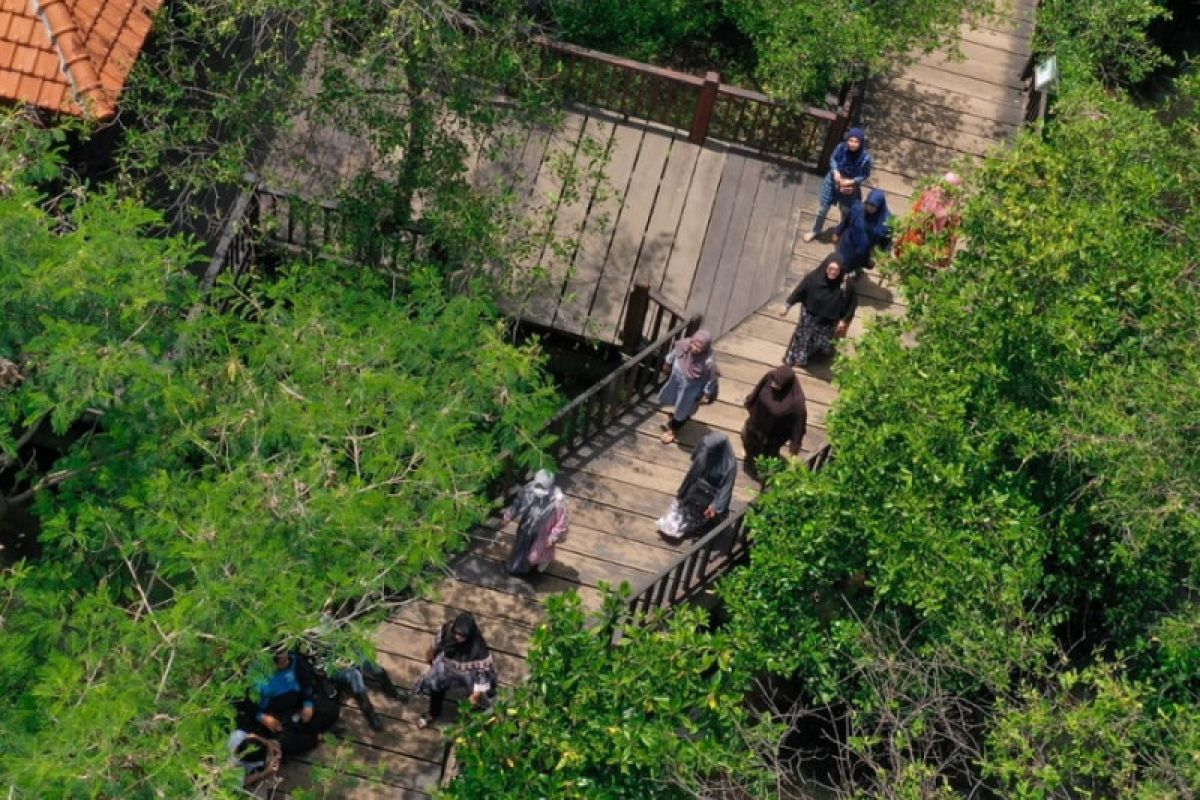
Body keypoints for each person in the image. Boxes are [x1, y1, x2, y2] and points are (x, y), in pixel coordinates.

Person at [234, 648, 341, 758]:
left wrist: (308, 704)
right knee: (281, 743)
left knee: (331, 710)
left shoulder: (296, 661)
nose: (286, 664)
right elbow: (243, 700)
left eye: (286, 660)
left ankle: (301, 733)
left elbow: (307, 683)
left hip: (299, 707)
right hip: (275, 717)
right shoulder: (254, 673)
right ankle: (313, 738)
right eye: (281, 663)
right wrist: (262, 717)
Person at [412, 612, 497, 729]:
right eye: (456, 633)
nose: (457, 637)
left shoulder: (479, 652)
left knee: (481, 693)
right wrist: (430, 660)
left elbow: (481, 680)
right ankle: (433, 713)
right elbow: (433, 647)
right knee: (435, 683)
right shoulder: (446, 631)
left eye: (462, 635)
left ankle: (467, 721)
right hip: (448, 666)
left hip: (471, 672)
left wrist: (472, 699)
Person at [656, 432, 737, 541]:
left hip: (708, 497)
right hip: (694, 487)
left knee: (695, 517)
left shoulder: (729, 466)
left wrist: (714, 507)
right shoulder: (706, 445)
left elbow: (725, 491)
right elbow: (696, 462)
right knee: (678, 510)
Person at [781, 255, 858, 368]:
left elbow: (853, 304)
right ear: (825, 267)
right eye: (830, 269)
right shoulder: (813, 278)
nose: (833, 272)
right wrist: (787, 306)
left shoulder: (846, 284)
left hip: (829, 322)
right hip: (809, 317)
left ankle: (816, 352)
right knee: (802, 339)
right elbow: (799, 292)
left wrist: (844, 320)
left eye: (836, 270)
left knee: (820, 342)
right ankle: (796, 359)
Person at [804, 127, 873, 243]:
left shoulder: (865, 158)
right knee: (822, 209)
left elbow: (865, 174)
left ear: (861, 143)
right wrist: (835, 171)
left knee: (845, 211)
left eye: (856, 142)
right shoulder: (841, 147)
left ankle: (840, 232)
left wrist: (852, 181)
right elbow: (833, 159)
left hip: (849, 187)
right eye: (850, 140)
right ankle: (816, 230)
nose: (852, 144)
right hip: (832, 181)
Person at [741, 365, 807, 479]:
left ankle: (761, 472)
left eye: (778, 384)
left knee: (766, 455)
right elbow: (758, 390)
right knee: (748, 442)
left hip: (773, 435)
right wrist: (750, 402)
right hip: (755, 423)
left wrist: (794, 449)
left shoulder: (796, 402)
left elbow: (798, 426)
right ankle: (749, 460)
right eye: (773, 381)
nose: (773, 384)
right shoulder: (771, 376)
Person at [501, 469, 569, 577]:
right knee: (520, 547)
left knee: (534, 556)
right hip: (527, 525)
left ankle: (545, 559)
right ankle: (516, 567)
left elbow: (562, 522)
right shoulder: (528, 490)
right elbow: (518, 503)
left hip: (544, 531)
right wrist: (509, 514)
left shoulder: (558, 501)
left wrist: (552, 537)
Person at [657, 329, 719, 445]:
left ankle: (674, 429)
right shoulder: (685, 345)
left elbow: (712, 378)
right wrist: (667, 362)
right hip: (677, 382)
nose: (694, 348)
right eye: (694, 344)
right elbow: (674, 353)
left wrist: (706, 393)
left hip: (690, 390)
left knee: (683, 408)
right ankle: (677, 418)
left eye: (699, 347)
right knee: (675, 400)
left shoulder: (708, 361)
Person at [893, 171, 962, 268]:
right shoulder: (931, 197)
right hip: (922, 244)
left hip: (926, 247)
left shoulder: (931, 197)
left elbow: (951, 236)